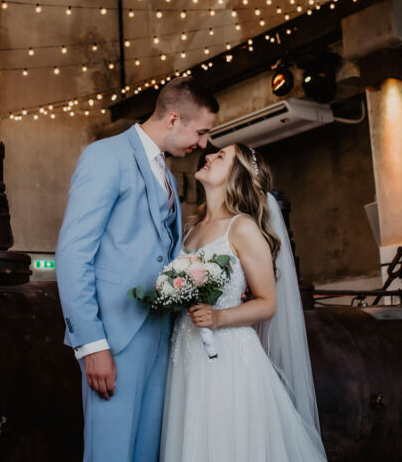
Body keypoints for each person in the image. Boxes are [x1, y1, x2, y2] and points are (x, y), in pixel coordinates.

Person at [56, 77, 219, 462]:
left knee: (148, 453)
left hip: (161, 335)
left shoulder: (164, 169)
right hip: (115, 339)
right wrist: (91, 344)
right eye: (201, 132)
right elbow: (73, 253)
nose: (203, 143)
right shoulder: (105, 156)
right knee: (111, 453)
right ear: (174, 119)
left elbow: (163, 252)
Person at [160, 143, 327, 461]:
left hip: (228, 358)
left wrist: (218, 317)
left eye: (219, 156)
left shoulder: (243, 228)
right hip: (186, 353)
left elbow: (267, 303)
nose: (208, 156)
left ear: (236, 175)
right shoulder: (191, 229)